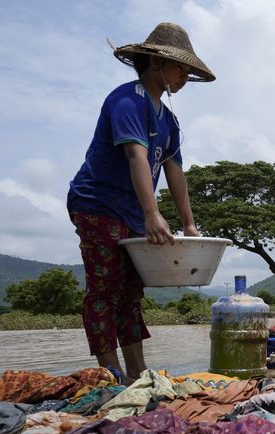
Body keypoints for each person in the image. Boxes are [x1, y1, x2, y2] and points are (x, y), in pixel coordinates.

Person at [67, 23, 215, 383]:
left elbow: (175, 172)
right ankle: (109, 375)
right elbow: (136, 156)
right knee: (105, 288)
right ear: (155, 63)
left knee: (132, 291)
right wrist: (152, 213)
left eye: (187, 70)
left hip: (132, 212)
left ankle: (137, 372)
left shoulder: (169, 120)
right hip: (97, 204)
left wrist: (189, 224)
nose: (184, 75)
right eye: (180, 67)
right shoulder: (127, 100)